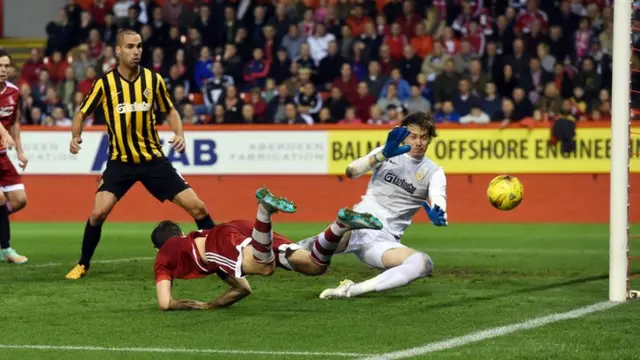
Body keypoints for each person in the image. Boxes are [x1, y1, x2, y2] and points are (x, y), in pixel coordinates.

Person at [65, 29, 215, 280]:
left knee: (198, 207)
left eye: (139, 46)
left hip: (152, 160)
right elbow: (81, 113)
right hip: (120, 162)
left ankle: (217, 256)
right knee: (98, 212)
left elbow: (170, 111)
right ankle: (83, 264)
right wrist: (75, 136)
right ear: (118, 50)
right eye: (130, 47)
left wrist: (180, 133)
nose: (136, 52)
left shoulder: (153, 80)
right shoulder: (105, 84)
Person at [153, 188, 383, 311]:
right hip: (238, 231)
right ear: (180, 231)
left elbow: (165, 303)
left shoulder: (164, 256)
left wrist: (184, 305)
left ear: (158, 247)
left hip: (220, 242)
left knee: (265, 268)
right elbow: (243, 289)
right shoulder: (211, 258)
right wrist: (210, 305)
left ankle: (264, 211)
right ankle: (340, 226)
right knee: (314, 266)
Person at [298, 112, 448, 299]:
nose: (419, 142)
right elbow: (351, 172)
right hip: (357, 225)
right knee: (301, 251)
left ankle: (351, 290)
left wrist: (439, 214)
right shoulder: (386, 152)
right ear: (404, 135)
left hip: (384, 241)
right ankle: (263, 253)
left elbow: (438, 199)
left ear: (430, 139)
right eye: (413, 136)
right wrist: (382, 155)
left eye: (424, 137)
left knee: (423, 263)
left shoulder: (434, 172)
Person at [0, 49, 29, 264]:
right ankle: (6, 249)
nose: (3, 70)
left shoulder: (14, 92)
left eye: (6, 66)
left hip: (2, 155)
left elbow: (15, 122)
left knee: (19, 200)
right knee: (0, 199)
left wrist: (19, 149)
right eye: (0, 66)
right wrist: (3, 133)